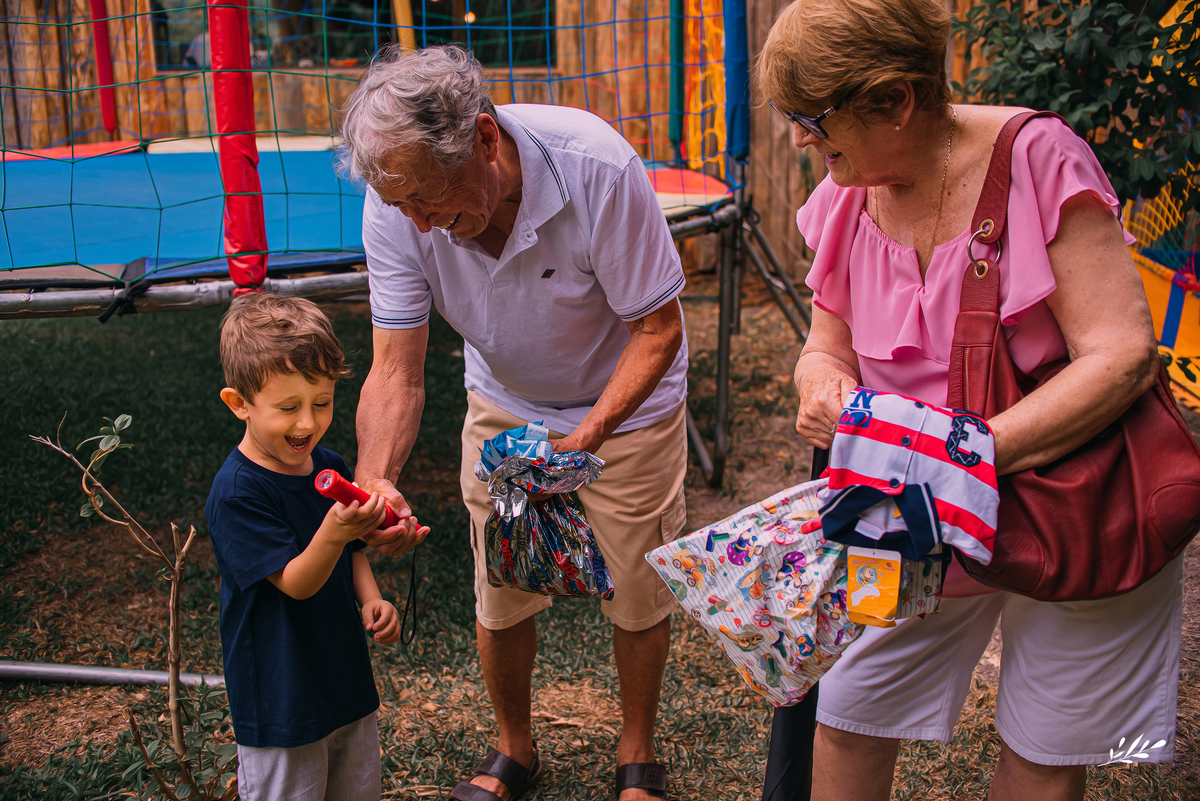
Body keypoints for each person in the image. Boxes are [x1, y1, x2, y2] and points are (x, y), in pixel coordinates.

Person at [756, 1, 1186, 799]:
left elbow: (1123, 356)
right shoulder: (853, 188)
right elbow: (827, 342)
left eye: (813, 119)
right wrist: (820, 382)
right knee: (848, 714)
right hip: (912, 516)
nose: (799, 140)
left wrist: (956, 456)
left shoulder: (1037, 159)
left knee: (1042, 749)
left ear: (894, 100)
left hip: (1071, 504)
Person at [339, 45, 689, 801]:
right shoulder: (398, 204)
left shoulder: (597, 167)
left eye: (431, 200)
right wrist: (378, 479)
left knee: (636, 583)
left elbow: (659, 330)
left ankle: (637, 755)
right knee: (500, 585)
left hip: (625, 401)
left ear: (486, 141)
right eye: (406, 207)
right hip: (506, 398)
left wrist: (589, 435)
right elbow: (396, 369)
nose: (422, 225)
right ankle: (514, 750)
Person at [205, 294, 426, 801]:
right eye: (288, 408)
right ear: (239, 403)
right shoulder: (239, 492)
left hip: (342, 680)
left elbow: (352, 554)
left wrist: (371, 597)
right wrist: (337, 528)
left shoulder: (326, 461)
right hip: (281, 699)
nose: (307, 423)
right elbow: (296, 583)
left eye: (321, 403)